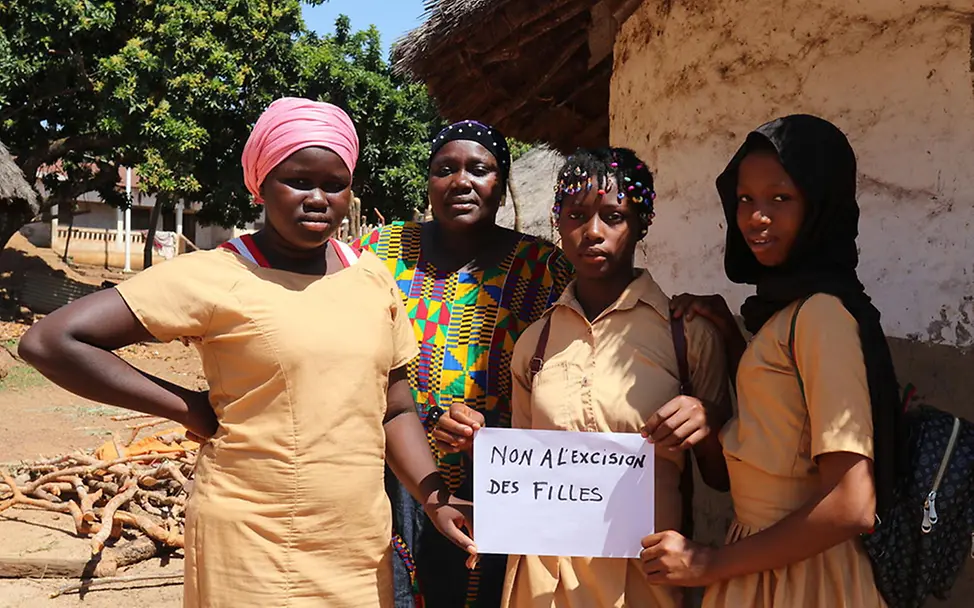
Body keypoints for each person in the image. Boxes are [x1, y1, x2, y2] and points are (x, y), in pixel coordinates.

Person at [18, 98, 474, 608]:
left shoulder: (371, 278)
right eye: (298, 181)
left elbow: (394, 408)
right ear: (260, 182)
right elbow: (51, 342)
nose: (318, 198)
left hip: (357, 548)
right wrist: (189, 407)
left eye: (335, 183)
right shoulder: (216, 275)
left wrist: (436, 499)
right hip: (252, 542)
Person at [436, 148, 732, 608]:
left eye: (613, 216)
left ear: (642, 222)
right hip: (542, 585)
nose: (592, 232)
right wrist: (479, 442)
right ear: (558, 221)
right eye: (576, 215)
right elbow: (526, 470)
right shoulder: (536, 344)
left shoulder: (687, 336)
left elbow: (722, 479)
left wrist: (707, 421)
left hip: (645, 585)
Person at [639, 115, 899, 607]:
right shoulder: (788, 314)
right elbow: (779, 426)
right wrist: (730, 336)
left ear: (820, 205)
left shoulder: (822, 316)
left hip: (805, 580)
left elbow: (852, 503)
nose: (757, 217)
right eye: (745, 199)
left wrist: (706, 563)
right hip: (767, 567)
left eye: (781, 198)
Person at [357, 120, 574, 608]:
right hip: (392, 465)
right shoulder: (379, 253)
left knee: (489, 587)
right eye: (444, 169)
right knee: (395, 586)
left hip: (499, 466)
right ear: (429, 181)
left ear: (501, 184)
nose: (461, 181)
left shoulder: (542, 267)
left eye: (479, 169)